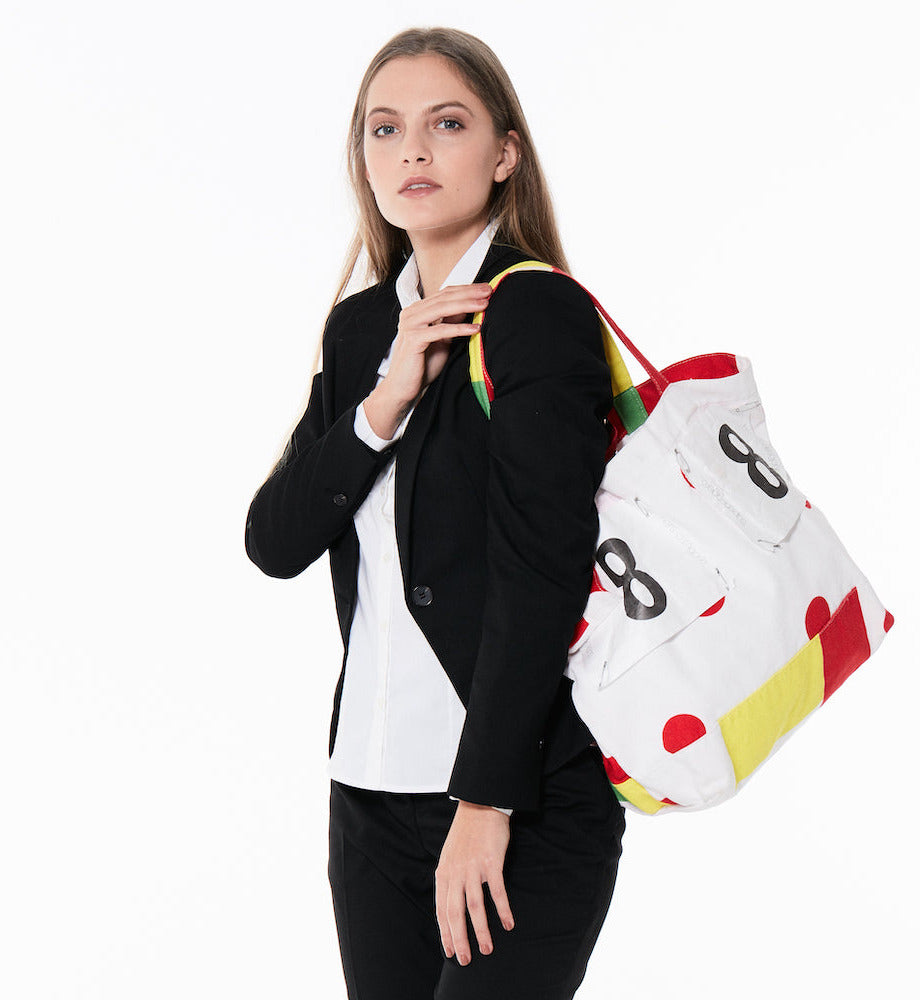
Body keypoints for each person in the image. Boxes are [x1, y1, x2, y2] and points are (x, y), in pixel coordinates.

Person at [245, 26, 625, 1000]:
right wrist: (383, 399)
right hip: (367, 795)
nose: (410, 151)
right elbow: (277, 540)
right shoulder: (365, 326)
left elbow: (545, 571)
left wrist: (485, 798)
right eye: (384, 129)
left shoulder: (538, 313)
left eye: (445, 123)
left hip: (513, 794)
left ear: (503, 155)